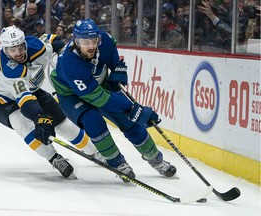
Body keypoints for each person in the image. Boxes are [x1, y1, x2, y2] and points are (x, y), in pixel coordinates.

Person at [50, 18, 177, 182]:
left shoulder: (105, 40)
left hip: (100, 86)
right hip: (71, 95)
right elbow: (98, 98)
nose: (91, 46)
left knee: (129, 121)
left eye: (94, 41)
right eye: (85, 42)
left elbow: (112, 52)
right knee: (93, 121)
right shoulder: (69, 62)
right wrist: (132, 107)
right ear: (76, 40)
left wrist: (117, 69)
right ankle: (118, 163)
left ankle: (156, 160)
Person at [0, 25, 104, 179]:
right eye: (12, 50)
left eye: (20, 48)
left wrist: (63, 51)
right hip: (4, 101)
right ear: (5, 50)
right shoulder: (9, 71)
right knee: (22, 124)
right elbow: (25, 101)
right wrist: (39, 117)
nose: (17, 53)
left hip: (32, 91)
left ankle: (96, 153)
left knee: (63, 124)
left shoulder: (35, 46)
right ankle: (54, 158)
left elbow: (52, 39)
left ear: (24, 43)